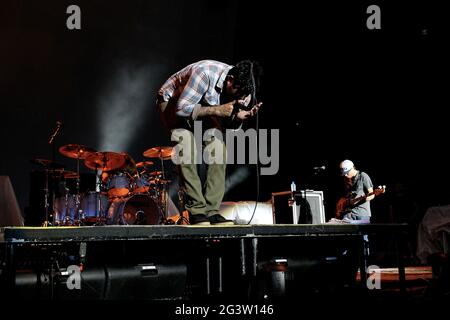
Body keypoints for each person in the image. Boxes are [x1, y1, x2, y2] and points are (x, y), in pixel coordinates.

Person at [156, 60, 262, 225]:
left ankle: (212, 211)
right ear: (230, 80)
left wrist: (239, 117)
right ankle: (196, 210)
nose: (238, 97)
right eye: (238, 93)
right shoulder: (204, 73)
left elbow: (229, 122)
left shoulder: (243, 87)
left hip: (204, 104)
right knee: (186, 148)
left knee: (218, 149)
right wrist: (218, 110)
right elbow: (182, 109)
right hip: (173, 101)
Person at [334, 159, 374, 224]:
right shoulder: (346, 179)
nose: (345, 175)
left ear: (352, 168)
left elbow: (372, 194)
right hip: (348, 213)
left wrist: (367, 198)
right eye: (344, 173)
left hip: (362, 213)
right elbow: (346, 195)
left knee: (362, 232)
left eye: (347, 173)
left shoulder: (363, 176)